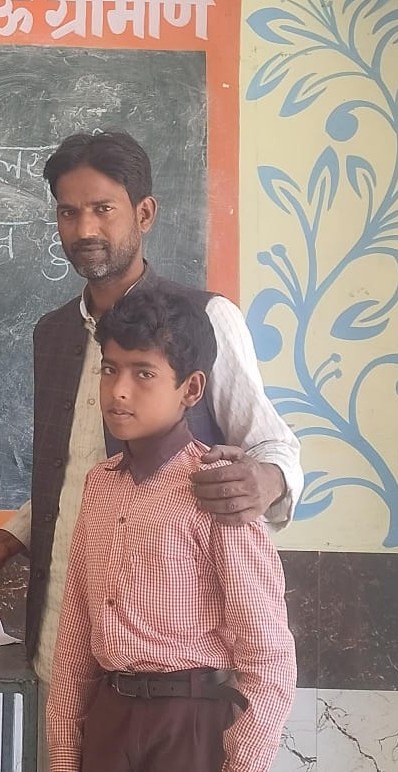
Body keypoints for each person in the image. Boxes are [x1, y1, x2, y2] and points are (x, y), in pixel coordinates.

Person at [0, 130, 302, 761]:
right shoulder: (53, 333)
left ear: (145, 213)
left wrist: (263, 481)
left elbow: (272, 444)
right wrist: (12, 536)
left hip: (180, 672)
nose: (85, 229)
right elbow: (73, 468)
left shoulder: (205, 320)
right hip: (70, 632)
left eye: (103, 208)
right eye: (69, 212)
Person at [47, 287, 296, 772]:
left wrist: (242, 764)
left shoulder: (217, 491)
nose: (119, 391)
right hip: (109, 716)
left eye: (144, 373)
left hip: (191, 722)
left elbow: (268, 659)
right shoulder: (100, 484)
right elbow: (75, 633)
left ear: (192, 390)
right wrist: (63, 754)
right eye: (110, 369)